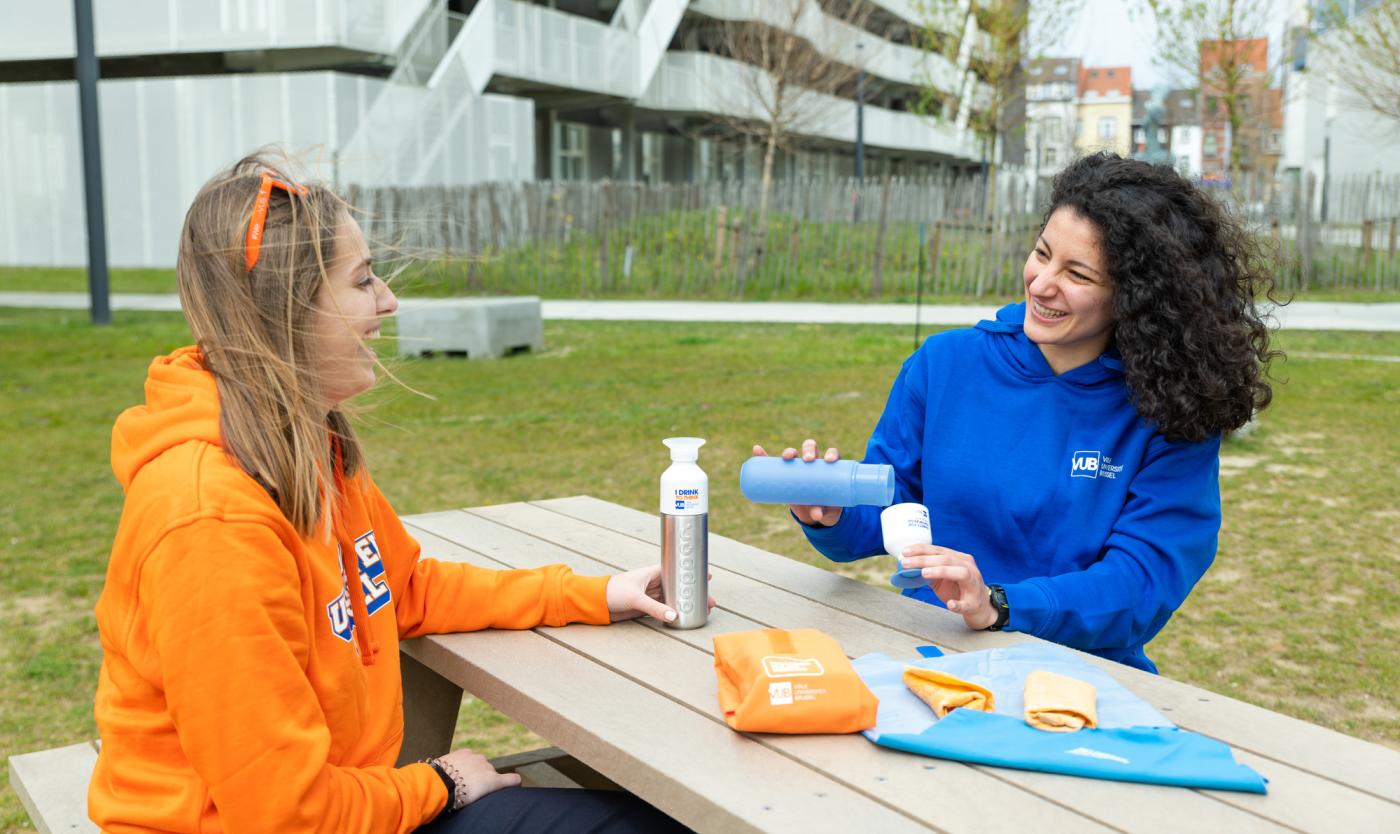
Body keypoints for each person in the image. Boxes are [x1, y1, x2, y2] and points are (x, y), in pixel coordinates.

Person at [88, 153, 696, 833]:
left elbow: (406, 590)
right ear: (287, 313)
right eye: (363, 280)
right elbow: (286, 816)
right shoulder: (212, 525)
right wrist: (438, 782)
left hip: (355, 805)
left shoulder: (306, 447)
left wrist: (594, 596)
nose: (388, 301)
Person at [756, 152, 1276, 674]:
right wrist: (831, 511)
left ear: (1135, 298)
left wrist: (999, 604)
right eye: (1042, 253)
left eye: (1077, 273)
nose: (1042, 283)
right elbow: (889, 511)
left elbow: (1141, 584)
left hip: (1082, 679)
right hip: (931, 662)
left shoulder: (1172, 407)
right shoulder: (943, 365)